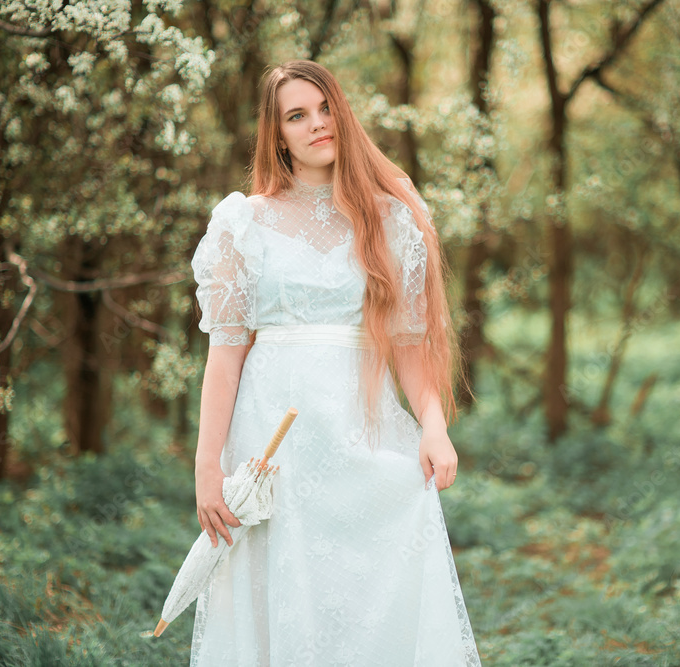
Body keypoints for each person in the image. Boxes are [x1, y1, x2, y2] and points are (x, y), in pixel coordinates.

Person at [189, 59, 481, 666]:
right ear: (277, 134)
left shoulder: (390, 221)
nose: (318, 125)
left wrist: (434, 425)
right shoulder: (242, 225)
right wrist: (207, 465)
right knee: (281, 591)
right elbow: (224, 358)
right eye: (298, 115)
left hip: (360, 433)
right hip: (272, 441)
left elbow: (410, 350)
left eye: (325, 109)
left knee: (362, 596)